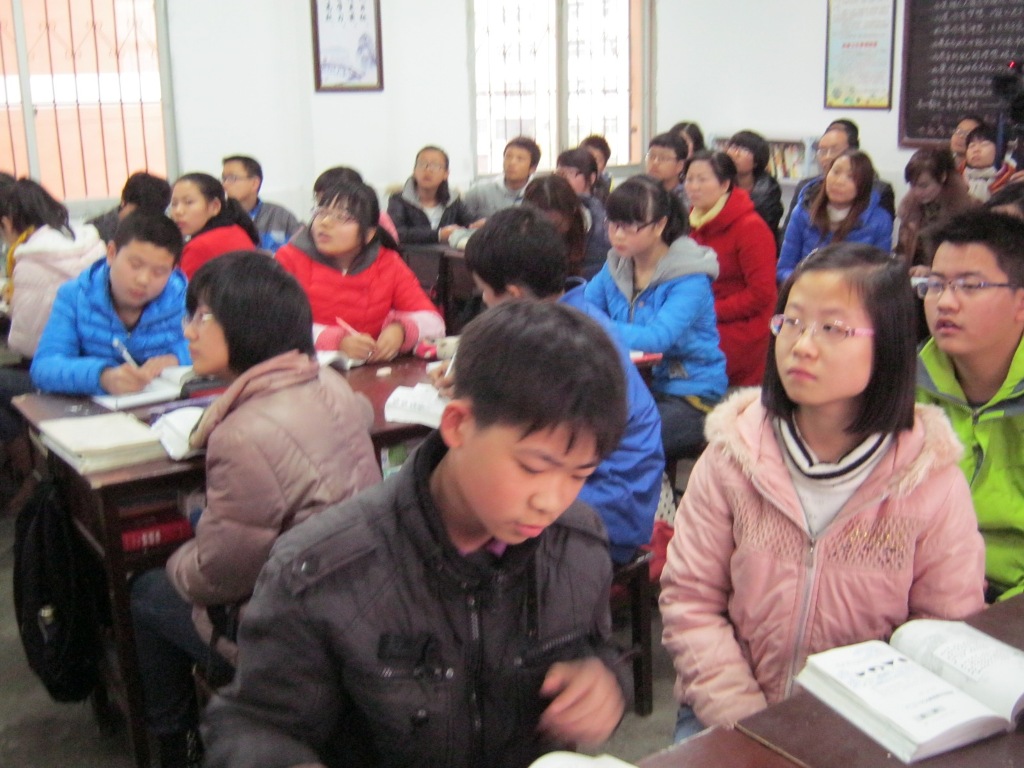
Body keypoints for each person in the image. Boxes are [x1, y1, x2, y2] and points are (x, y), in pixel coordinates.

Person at [203, 300, 632, 768]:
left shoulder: (576, 543)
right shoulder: (321, 571)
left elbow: (596, 649)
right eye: (533, 467)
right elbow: (252, 723)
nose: (551, 501)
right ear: (458, 425)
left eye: (579, 474)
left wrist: (605, 682)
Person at [661, 242, 987, 736]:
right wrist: (751, 721)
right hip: (729, 711)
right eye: (791, 322)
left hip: (869, 730)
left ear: (889, 343)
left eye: (832, 328)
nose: (802, 345)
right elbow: (690, 600)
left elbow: (942, 633)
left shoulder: (929, 480)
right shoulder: (733, 456)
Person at [131, 252, 381, 767]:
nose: (188, 330)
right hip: (357, 607)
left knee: (146, 589)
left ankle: (175, 744)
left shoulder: (242, 434)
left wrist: (178, 557)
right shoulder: (331, 383)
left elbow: (218, 576)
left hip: (285, 637)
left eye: (202, 317)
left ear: (247, 325)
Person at [463, 205, 664, 565]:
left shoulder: (566, 345)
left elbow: (529, 438)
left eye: (485, 292)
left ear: (514, 295)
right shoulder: (565, 317)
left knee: (462, 520)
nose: (485, 302)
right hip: (598, 489)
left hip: (608, 510)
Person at [916, 211, 1024, 602]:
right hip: (923, 590)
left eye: (970, 285)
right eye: (935, 285)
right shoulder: (903, 385)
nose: (945, 302)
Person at [585, 175, 726, 459]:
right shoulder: (617, 265)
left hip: (689, 393)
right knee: (577, 428)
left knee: (623, 444)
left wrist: (596, 326)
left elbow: (656, 338)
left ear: (660, 225)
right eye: (612, 224)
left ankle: (652, 487)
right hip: (632, 383)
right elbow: (582, 307)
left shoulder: (689, 278)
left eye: (631, 227)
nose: (618, 235)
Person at [276, 179, 444, 361]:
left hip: (369, 369)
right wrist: (334, 340)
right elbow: (271, 322)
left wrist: (402, 330)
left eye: (342, 217)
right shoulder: (288, 259)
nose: (325, 222)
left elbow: (434, 322)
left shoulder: (387, 263)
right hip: (303, 368)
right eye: (321, 213)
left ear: (369, 233)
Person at [30, 212, 189, 395]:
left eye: (159, 272)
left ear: (173, 269)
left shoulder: (184, 299)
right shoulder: (75, 296)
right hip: (94, 408)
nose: (143, 280)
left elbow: (214, 350)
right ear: (111, 253)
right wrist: (102, 377)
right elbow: (45, 366)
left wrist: (176, 358)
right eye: (135, 265)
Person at [684, 151, 777, 386]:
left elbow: (761, 294)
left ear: (725, 184)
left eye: (702, 179)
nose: (693, 186)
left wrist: (706, 311)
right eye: (689, 179)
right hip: (702, 315)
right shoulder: (693, 221)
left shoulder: (750, 228)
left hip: (741, 325)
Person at [1, 178, 106, 358]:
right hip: (104, 348)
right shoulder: (88, 241)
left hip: (64, 359)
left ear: (7, 223)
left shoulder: (32, 260)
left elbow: (27, 344)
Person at [777, 149, 893, 282]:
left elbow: (880, 277)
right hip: (807, 288)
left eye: (851, 177)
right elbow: (784, 269)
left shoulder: (880, 221)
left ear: (864, 185)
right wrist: (807, 283)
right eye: (836, 172)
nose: (839, 181)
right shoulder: (802, 212)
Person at [781, 123, 896, 236]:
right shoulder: (807, 188)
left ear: (853, 151)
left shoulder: (880, 191)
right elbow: (787, 236)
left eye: (834, 150)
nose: (827, 157)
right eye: (822, 151)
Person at [895, 146, 978, 270]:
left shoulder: (969, 210)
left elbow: (971, 260)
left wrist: (933, 271)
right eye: (912, 185)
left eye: (924, 186)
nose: (917, 192)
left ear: (943, 177)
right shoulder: (910, 211)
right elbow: (901, 253)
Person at [170, 172, 259, 279]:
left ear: (215, 206)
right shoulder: (235, 229)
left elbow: (184, 288)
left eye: (189, 202)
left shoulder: (199, 247)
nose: (178, 211)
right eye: (174, 204)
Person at [386, 145, 476, 244]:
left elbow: (470, 224)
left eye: (435, 165)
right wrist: (438, 235)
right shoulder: (399, 200)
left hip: (447, 253)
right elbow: (397, 233)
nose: (427, 170)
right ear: (414, 171)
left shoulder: (453, 200)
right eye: (422, 164)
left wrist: (477, 226)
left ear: (446, 174)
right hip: (411, 253)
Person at [220, 155, 301, 253]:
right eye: (224, 179)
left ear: (254, 183)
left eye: (232, 178)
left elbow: (301, 251)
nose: (224, 185)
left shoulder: (281, 215)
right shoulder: (220, 218)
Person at [556, 147, 613, 278]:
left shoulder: (600, 210)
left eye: (569, 173)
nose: (562, 179)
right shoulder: (558, 206)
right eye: (559, 173)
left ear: (591, 178)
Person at [522, 174, 587, 277]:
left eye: (556, 226)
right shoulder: (520, 243)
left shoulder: (595, 245)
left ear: (572, 212)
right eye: (539, 227)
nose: (547, 234)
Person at [462, 135, 541, 220]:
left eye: (520, 159)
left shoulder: (539, 193)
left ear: (533, 168)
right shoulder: (480, 191)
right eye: (508, 157)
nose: (512, 163)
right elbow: (460, 222)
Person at [724, 130, 784, 242]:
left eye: (744, 150)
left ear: (757, 161)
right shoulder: (719, 182)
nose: (735, 154)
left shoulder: (768, 191)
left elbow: (761, 231)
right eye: (733, 147)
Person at [313, 165, 399, 241]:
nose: (325, 221)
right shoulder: (319, 221)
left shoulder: (379, 219)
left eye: (341, 216)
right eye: (319, 202)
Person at [87, 171, 172, 243]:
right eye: (138, 213)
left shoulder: (164, 234)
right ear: (123, 202)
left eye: (151, 215)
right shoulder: (92, 234)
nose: (143, 220)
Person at [962, 125, 1010, 203]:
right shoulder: (957, 180)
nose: (976, 150)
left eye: (984, 144)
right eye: (971, 146)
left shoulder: (1012, 181)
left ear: (1000, 149)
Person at [645, 132, 690, 215]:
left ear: (679, 166)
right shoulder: (641, 191)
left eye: (663, 158)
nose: (655, 162)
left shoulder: (688, 196)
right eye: (651, 156)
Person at [580, 133, 613, 203]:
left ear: (604, 166)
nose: (590, 164)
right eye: (586, 158)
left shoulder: (606, 196)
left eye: (596, 161)